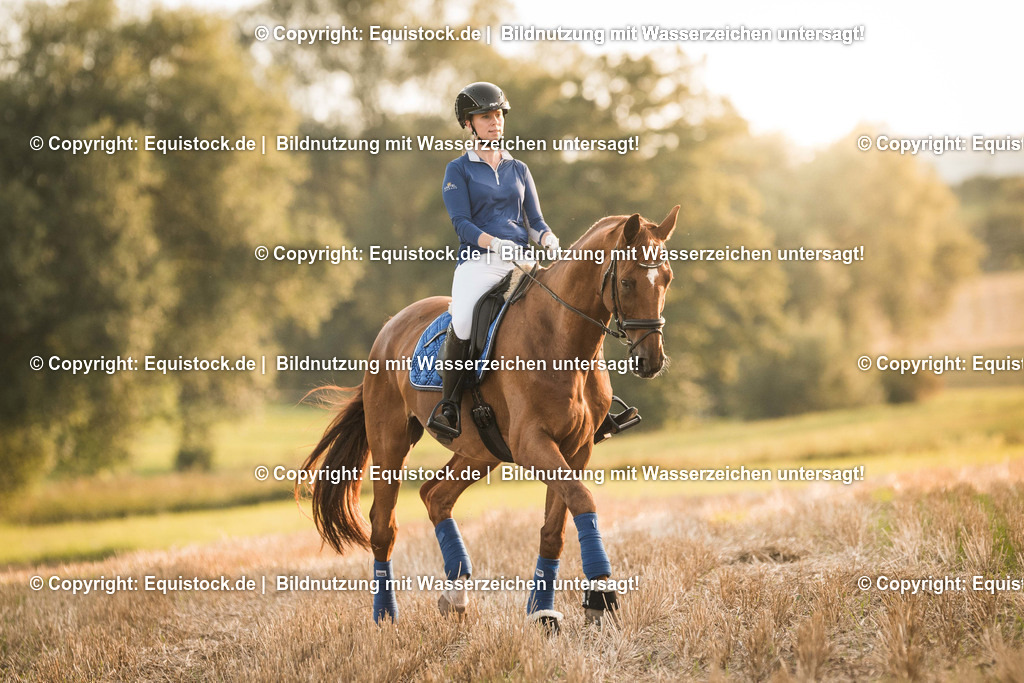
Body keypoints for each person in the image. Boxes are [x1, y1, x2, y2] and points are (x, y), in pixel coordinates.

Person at [427, 82, 560, 439]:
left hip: (522, 263)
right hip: (478, 263)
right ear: (469, 124)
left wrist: (547, 238)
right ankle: (450, 405)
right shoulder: (458, 170)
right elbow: (461, 225)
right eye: (486, 116)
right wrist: (495, 243)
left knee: (563, 310)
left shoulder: (518, 168)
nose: (495, 122)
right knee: (466, 319)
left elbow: (535, 220)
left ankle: (594, 400)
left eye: (498, 115)